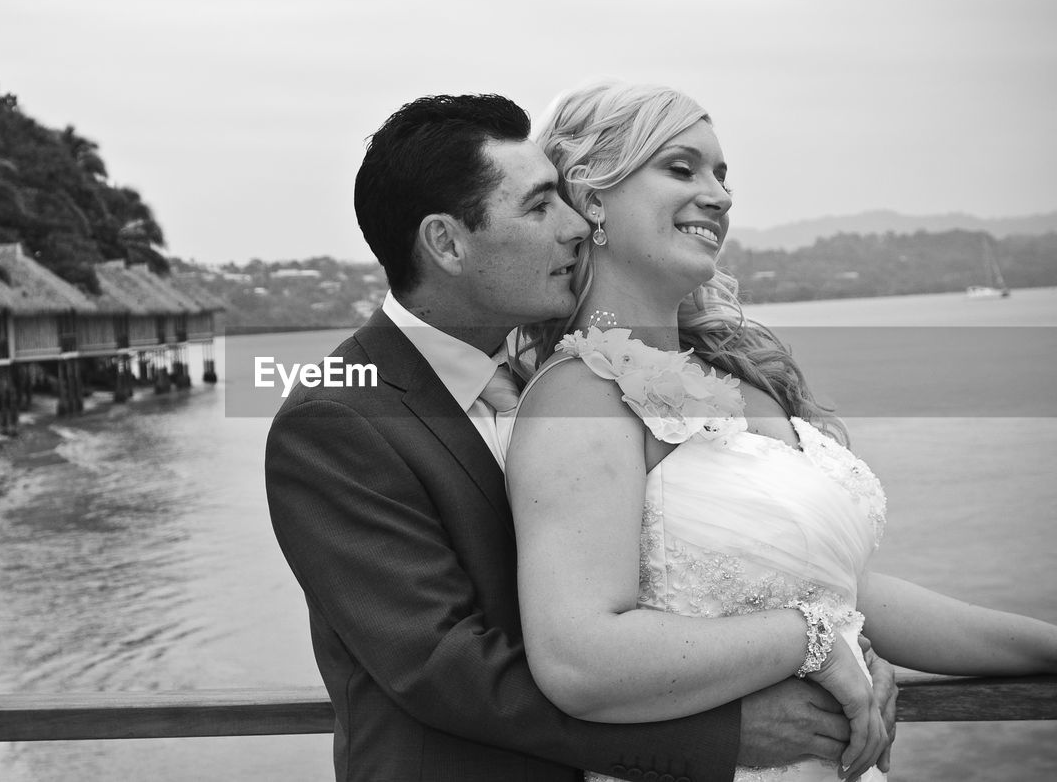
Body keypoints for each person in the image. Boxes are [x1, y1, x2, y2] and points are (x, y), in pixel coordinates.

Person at [266, 93, 898, 782]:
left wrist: (848, 649)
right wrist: (724, 726)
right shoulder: (335, 417)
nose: (573, 224)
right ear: (446, 242)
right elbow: (447, 669)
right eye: (539, 207)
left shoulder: (555, 374)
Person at [504, 79, 1057, 782]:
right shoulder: (580, 396)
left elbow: (849, 594)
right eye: (682, 167)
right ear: (592, 196)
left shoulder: (744, 379)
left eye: (721, 174)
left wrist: (1046, 645)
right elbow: (579, 660)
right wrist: (811, 639)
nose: (719, 194)